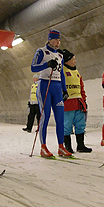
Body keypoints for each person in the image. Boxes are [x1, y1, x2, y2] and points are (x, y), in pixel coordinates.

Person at [31, 29, 72, 158]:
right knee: (46, 116)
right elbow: (33, 67)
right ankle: (43, 147)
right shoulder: (41, 51)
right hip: (45, 85)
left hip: (57, 86)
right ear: (49, 39)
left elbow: (61, 74)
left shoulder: (60, 56)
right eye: (55, 39)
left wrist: (64, 89)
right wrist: (47, 64)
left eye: (59, 40)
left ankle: (61, 146)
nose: (58, 42)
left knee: (60, 118)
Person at [59, 49, 91, 153]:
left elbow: (81, 87)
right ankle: (68, 146)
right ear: (67, 61)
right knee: (67, 125)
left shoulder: (77, 72)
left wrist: (84, 99)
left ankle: (80, 145)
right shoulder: (62, 71)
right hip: (68, 102)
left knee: (80, 124)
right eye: (73, 59)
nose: (75, 61)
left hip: (78, 101)